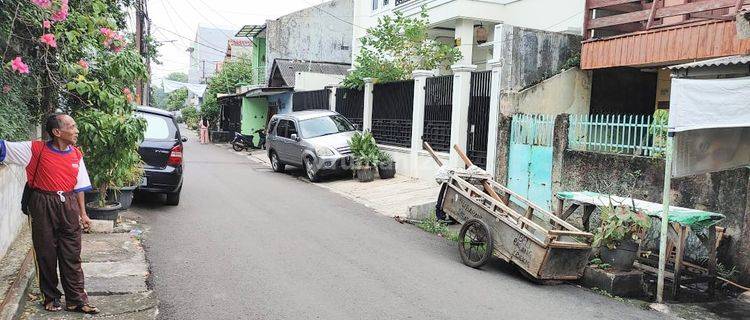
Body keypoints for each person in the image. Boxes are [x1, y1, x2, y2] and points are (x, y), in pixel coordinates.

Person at [0, 113, 100, 315]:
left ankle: (76, 300)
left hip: (69, 205)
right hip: (41, 203)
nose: (76, 130)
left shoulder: (76, 155)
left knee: (72, 253)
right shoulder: (34, 149)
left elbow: (79, 187)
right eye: (71, 126)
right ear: (57, 132)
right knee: (45, 252)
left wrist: (84, 214)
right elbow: (3, 148)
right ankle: (51, 297)